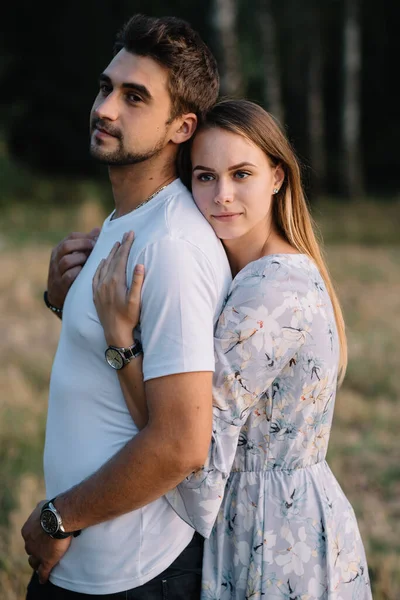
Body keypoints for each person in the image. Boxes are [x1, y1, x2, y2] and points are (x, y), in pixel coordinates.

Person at [92, 99, 373, 599]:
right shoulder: (245, 273)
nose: (222, 195)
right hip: (267, 519)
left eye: (241, 173)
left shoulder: (272, 288)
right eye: (204, 177)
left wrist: (119, 340)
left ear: (277, 177)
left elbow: (185, 446)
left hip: (277, 537)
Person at [21, 13, 233, 599]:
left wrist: (56, 518)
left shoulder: (175, 245)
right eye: (105, 87)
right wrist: (63, 304)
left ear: (181, 126)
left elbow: (182, 442)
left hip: (136, 577)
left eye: (134, 97)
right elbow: (123, 365)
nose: (105, 108)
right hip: (82, 569)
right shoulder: (126, 221)